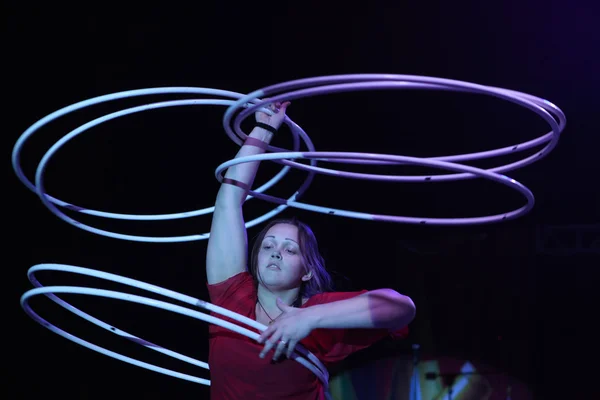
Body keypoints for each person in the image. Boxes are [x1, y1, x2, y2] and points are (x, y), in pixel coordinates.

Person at [205, 100, 416, 399]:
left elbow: (402, 308)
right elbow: (228, 200)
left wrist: (310, 319)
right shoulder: (231, 296)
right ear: (255, 259)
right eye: (268, 245)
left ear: (307, 271)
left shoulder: (318, 314)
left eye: (290, 250)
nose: (276, 252)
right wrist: (264, 128)